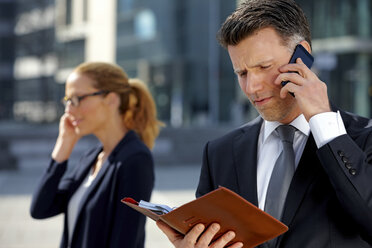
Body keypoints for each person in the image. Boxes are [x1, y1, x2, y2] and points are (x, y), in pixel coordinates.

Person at [157, 0, 372, 247]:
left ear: (301, 55)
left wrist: (324, 122)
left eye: (264, 66)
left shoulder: (363, 139)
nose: (252, 87)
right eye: (242, 73)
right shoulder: (219, 154)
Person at [30, 62, 163, 248]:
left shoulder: (134, 159)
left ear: (111, 100)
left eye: (77, 98)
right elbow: (40, 208)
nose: (68, 110)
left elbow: (125, 242)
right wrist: (64, 145)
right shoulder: (91, 157)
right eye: (67, 100)